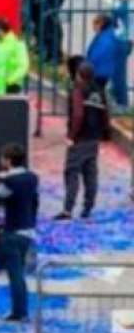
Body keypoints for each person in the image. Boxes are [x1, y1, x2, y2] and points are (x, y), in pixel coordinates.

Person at [0, 144, 39, 323]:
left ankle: (18, 312)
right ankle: (21, 310)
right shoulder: (32, 178)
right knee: (21, 274)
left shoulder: (10, 182)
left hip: (13, 230)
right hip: (28, 229)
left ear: (8, 161)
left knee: (15, 275)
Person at [55, 63, 108, 221]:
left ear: (79, 75)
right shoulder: (99, 90)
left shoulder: (79, 91)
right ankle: (87, 208)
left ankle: (67, 209)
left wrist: (71, 135)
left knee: (72, 172)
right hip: (94, 138)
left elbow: (78, 114)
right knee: (90, 173)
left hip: (80, 138)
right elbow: (106, 114)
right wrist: (104, 132)